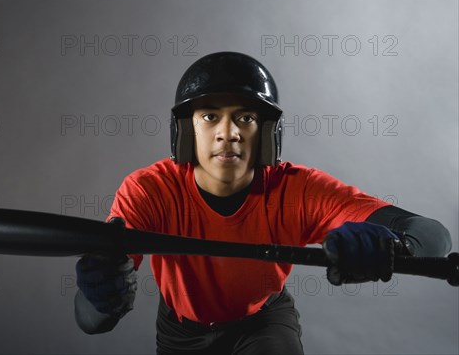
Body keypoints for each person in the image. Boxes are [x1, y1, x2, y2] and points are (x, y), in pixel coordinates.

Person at [73, 52, 452, 354]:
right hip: (180, 332)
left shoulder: (297, 190)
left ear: (267, 132)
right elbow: (92, 321)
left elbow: (433, 236)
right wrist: (102, 295)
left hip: (262, 323)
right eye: (210, 117)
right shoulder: (150, 190)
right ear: (186, 130)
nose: (228, 133)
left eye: (246, 117)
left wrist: (393, 246)